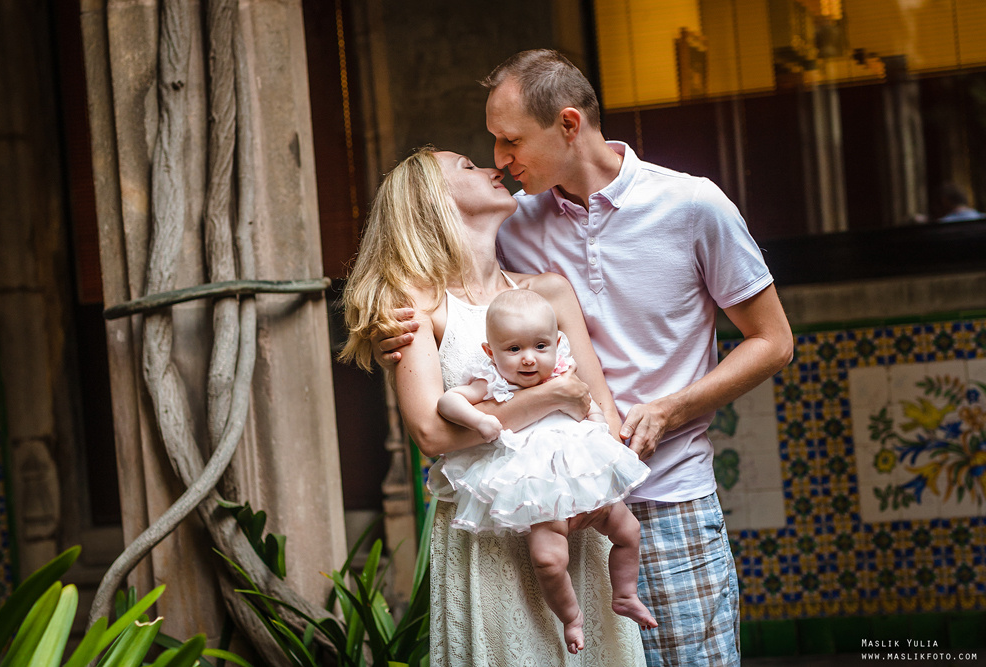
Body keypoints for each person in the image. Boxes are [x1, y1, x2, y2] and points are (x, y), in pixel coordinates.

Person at [377, 50, 795, 666]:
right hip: (551, 516)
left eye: (510, 140)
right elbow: (445, 270)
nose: (499, 160)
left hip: (669, 493)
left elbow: (774, 341)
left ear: (569, 125)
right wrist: (393, 335)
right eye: (491, 144)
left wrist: (671, 409)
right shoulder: (512, 221)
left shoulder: (694, 207)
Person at [340, 146, 646, 666]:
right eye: (467, 166)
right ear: (431, 201)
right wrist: (547, 396)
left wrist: (591, 494)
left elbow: (602, 412)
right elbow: (432, 436)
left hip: (577, 518)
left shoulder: (548, 292)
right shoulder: (416, 306)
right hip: (489, 537)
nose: (491, 168)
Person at [432, 288, 655, 654]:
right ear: (491, 352)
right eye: (514, 349)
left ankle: (626, 593)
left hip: (582, 477)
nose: (529, 360)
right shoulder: (493, 382)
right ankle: (571, 618)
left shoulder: (565, 372)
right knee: (549, 559)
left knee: (629, 530)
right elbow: (447, 401)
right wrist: (479, 420)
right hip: (536, 488)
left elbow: (592, 411)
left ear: (557, 343)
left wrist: (599, 434)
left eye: (540, 346)